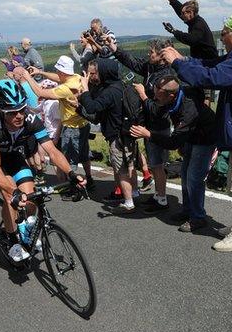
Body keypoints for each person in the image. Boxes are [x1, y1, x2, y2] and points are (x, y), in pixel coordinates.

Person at [161, 13, 232, 252]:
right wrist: (185, 60)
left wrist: (177, 64)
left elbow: (212, 77)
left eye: (224, 33)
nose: (222, 38)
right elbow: (212, 64)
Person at [0, 79, 86, 261]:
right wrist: (14, 193)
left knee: (31, 196)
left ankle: (26, 227)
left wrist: (72, 174)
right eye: (12, 112)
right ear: (0, 110)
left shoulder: (30, 119)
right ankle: (12, 241)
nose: (19, 115)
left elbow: (52, 150)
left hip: (12, 155)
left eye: (22, 108)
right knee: (11, 195)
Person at [130, 76, 217, 232]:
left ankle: (198, 218)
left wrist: (148, 134)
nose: (155, 97)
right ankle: (187, 210)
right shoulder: (172, 98)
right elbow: (156, 110)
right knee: (184, 173)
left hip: (205, 138)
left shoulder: (188, 109)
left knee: (194, 178)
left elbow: (173, 143)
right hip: (191, 136)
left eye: (158, 95)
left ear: (171, 95)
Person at [108, 38, 174, 209]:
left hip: (159, 125)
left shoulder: (166, 76)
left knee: (157, 164)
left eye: (151, 52)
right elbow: (133, 62)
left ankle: (162, 199)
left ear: (161, 55)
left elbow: (160, 108)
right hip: (149, 124)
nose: (148, 54)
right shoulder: (151, 68)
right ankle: (159, 195)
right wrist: (115, 49)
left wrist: (143, 94)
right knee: (154, 163)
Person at [15, 57, 95, 195]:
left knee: (70, 159)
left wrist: (28, 77)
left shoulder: (65, 88)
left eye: (58, 70)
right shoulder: (75, 78)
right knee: (84, 155)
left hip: (71, 127)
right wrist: (40, 72)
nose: (56, 72)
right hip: (83, 124)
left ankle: (75, 188)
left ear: (63, 72)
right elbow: (58, 78)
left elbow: (40, 92)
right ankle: (89, 179)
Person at [78, 59, 137, 211]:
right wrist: (79, 109)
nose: (91, 76)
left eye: (94, 73)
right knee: (129, 166)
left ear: (104, 72)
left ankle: (129, 203)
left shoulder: (109, 92)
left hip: (116, 136)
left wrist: (84, 90)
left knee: (121, 169)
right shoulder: (119, 85)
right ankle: (134, 193)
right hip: (126, 133)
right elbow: (98, 116)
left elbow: (92, 108)